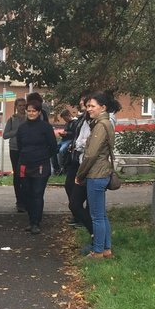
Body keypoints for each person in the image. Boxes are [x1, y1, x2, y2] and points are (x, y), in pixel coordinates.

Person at [75, 92, 120, 259]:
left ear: (103, 107)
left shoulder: (100, 126)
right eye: (87, 106)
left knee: (96, 216)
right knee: (101, 214)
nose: (89, 109)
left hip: (96, 174)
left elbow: (91, 154)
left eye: (92, 106)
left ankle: (98, 251)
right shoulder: (105, 123)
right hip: (102, 172)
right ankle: (106, 249)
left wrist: (80, 174)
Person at [16, 97, 60, 234]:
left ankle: (36, 222)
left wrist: (44, 156)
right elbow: (19, 146)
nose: (31, 113)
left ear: (39, 112)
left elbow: (53, 146)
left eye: (34, 111)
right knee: (27, 193)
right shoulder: (22, 128)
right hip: (24, 164)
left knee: (37, 193)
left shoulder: (45, 127)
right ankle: (30, 220)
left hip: (41, 165)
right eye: (29, 111)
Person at [63, 99, 94, 234]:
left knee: (92, 206)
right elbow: (79, 140)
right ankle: (94, 235)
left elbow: (88, 144)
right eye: (86, 104)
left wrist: (79, 144)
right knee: (74, 200)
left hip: (91, 167)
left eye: (90, 105)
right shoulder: (83, 119)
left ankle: (97, 239)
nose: (84, 105)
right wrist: (76, 145)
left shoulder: (101, 122)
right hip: (78, 160)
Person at [3, 97, 27, 212]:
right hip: (15, 149)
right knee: (17, 175)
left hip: (26, 150)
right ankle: (19, 201)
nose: (22, 108)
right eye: (19, 106)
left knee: (26, 175)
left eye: (23, 105)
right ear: (16, 107)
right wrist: (16, 131)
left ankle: (26, 199)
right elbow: (5, 135)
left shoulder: (29, 118)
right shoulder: (12, 119)